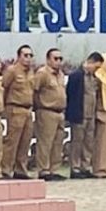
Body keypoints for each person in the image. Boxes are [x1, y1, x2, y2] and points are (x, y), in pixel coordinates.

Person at [66, 52, 103, 179]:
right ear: (90, 62)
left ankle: (85, 166)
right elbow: (71, 95)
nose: (96, 70)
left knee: (88, 142)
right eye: (96, 67)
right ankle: (75, 168)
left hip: (91, 115)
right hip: (79, 114)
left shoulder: (94, 78)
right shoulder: (76, 75)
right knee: (77, 142)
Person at [2, 45, 36, 179]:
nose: (28, 58)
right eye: (25, 55)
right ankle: (6, 169)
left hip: (28, 109)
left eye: (30, 56)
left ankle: (20, 169)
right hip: (15, 108)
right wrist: (5, 107)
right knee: (12, 141)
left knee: (25, 141)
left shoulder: (31, 72)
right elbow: (4, 87)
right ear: (19, 56)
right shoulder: (12, 70)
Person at [33, 48, 68, 181]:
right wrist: (39, 107)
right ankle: (43, 170)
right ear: (48, 59)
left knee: (58, 142)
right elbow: (35, 91)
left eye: (60, 59)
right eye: (55, 58)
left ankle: (54, 169)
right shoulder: (42, 73)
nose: (58, 61)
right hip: (46, 111)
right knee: (45, 142)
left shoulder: (61, 75)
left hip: (60, 112)